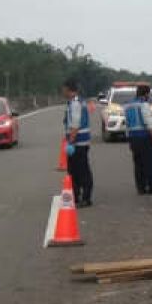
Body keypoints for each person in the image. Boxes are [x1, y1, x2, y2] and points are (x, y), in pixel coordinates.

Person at [124, 84, 152, 195]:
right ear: (146, 94)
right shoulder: (143, 105)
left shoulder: (128, 106)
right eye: (148, 94)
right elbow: (148, 123)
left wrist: (129, 139)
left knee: (138, 164)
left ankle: (141, 188)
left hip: (133, 138)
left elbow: (127, 124)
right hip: (145, 138)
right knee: (150, 164)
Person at [61, 78, 94, 208]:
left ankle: (85, 198)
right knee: (75, 171)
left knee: (81, 171)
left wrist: (71, 141)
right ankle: (77, 196)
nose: (62, 91)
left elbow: (75, 124)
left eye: (63, 89)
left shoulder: (75, 103)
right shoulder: (77, 102)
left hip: (78, 142)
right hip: (80, 141)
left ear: (69, 89)